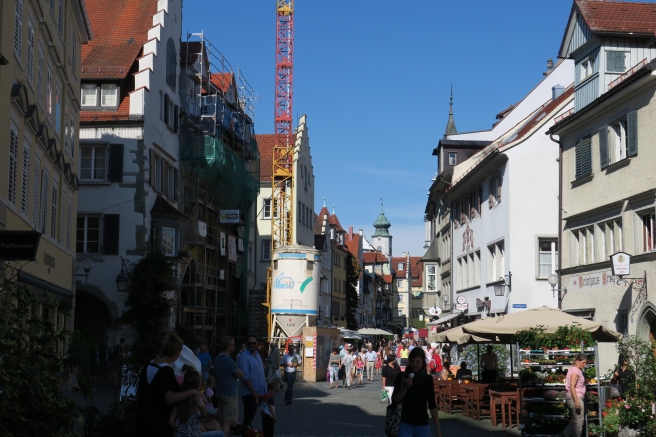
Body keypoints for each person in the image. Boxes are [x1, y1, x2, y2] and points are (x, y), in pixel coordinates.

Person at [136, 332, 203, 437]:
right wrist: (192, 391)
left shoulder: (149, 365)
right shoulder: (166, 371)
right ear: (177, 352)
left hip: (142, 417)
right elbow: (170, 398)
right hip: (158, 422)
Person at [392, 347, 442, 437]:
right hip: (405, 424)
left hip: (423, 426)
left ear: (423, 363)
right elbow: (395, 400)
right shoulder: (401, 377)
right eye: (412, 361)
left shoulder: (427, 379)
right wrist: (405, 388)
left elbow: (432, 405)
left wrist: (438, 429)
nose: (414, 364)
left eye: (418, 362)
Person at [168, 365, 224, 437]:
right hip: (194, 435)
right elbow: (201, 405)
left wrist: (180, 431)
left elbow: (171, 422)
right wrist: (204, 414)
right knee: (220, 434)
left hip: (181, 435)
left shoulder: (179, 399)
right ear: (198, 384)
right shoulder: (195, 397)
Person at [213, 336, 244, 437]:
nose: (234, 347)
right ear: (228, 346)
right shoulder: (228, 360)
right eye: (233, 345)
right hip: (229, 394)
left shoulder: (218, 358)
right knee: (228, 423)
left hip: (220, 392)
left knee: (221, 422)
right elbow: (239, 374)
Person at [237, 335, 266, 435]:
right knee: (248, 419)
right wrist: (254, 393)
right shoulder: (244, 357)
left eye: (254, 343)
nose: (252, 345)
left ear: (257, 344)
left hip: (259, 391)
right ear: (246, 344)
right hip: (250, 393)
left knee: (251, 418)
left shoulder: (257, 354)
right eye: (249, 343)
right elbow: (245, 377)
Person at [562, 353, 587, 437]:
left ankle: (565, 435)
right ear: (577, 361)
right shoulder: (576, 370)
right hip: (576, 398)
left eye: (585, 363)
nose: (584, 365)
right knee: (579, 422)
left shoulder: (572, 369)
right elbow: (572, 386)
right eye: (583, 362)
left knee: (574, 421)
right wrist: (576, 401)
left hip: (571, 397)